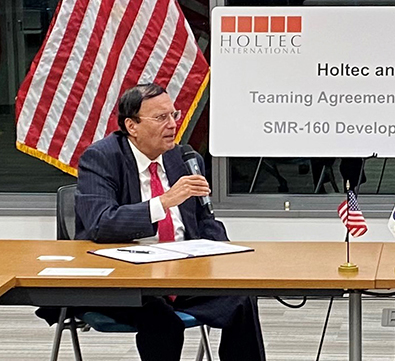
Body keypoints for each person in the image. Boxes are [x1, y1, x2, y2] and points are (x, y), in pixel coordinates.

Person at [75, 83, 267, 361]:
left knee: (241, 299)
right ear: (132, 125)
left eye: (174, 115)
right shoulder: (101, 158)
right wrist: (163, 202)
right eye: (161, 117)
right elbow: (100, 223)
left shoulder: (185, 159)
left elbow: (205, 219)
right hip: (126, 281)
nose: (173, 124)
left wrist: (224, 254)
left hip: (182, 274)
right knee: (162, 320)